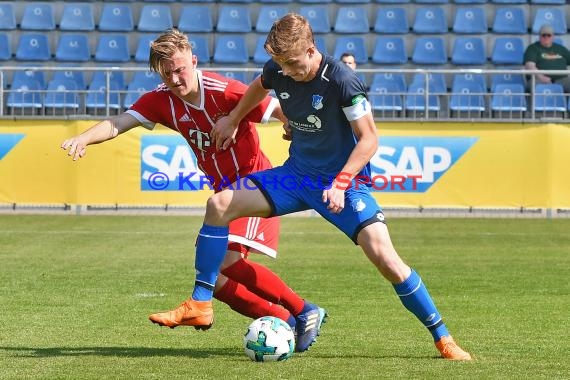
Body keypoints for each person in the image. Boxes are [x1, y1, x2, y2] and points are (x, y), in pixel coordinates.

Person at [151, 14, 472, 360]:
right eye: (280, 65)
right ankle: (201, 302)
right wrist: (233, 117)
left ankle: (443, 338)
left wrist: (340, 183)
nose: (285, 72)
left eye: (291, 64)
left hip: (343, 186)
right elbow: (259, 85)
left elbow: (369, 140)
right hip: (296, 176)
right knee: (219, 206)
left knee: (386, 260)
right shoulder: (279, 68)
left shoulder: (342, 81)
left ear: (311, 48)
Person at [60, 28, 326, 353]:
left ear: (194, 62)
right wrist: (83, 138)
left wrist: (293, 127)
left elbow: (275, 108)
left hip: (255, 185)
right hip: (223, 193)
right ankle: (284, 319)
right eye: (167, 72)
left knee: (222, 264)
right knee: (219, 281)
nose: (175, 77)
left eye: (180, 68)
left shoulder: (224, 90)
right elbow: (120, 122)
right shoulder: (161, 100)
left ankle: (303, 310)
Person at [524, 24, 570, 93]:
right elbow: (529, 66)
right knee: (535, 85)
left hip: (562, 80)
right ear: (539, 36)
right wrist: (542, 77)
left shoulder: (561, 49)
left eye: (549, 35)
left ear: (553, 36)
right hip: (539, 80)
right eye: (543, 35)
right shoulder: (532, 48)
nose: (546, 37)